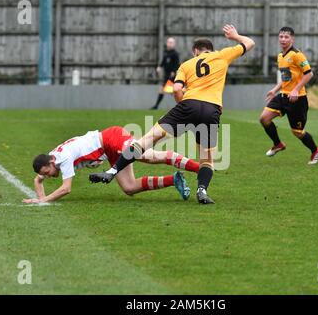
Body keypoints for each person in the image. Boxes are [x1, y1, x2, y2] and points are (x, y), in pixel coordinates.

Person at [89, 25, 255, 204]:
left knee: (147, 140)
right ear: (210, 50)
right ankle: (202, 191)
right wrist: (235, 36)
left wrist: (183, 106)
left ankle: (112, 172)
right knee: (207, 158)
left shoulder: (186, 64)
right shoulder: (222, 55)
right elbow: (250, 43)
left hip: (188, 105)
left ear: (195, 52)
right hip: (211, 110)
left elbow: (176, 88)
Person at [22, 126, 199, 204]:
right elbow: (38, 180)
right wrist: (40, 198)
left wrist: (44, 200)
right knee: (129, 188)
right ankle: (174, 180)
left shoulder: (63, 158)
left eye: (49, 171)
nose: (51, 175)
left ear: (51, 161)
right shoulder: (52, 159)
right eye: (47, 173)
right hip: (108, 151)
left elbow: (66, 189)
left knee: (150, 157)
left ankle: (200, 168)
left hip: (111, 138)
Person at [259, 26, 318, 165]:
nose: (283, 39)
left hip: (297, 99)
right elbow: (286, 78)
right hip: (283, 96)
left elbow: (309, 74)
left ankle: (315, 150)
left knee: (297, 132)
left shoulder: (297, 54)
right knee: (264, 118)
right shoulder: (280, 56)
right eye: (281, 36)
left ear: (292, 39)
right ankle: (278, 144)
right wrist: (275, 90)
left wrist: (296, 89)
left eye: (286, 37)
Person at [150, 37, 180, 110]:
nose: (169, 44)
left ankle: (156, 106)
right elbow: (163, 61)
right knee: (166, 90)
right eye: (168, 42)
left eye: (171, 42)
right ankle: (156, 106)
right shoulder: (166, 52)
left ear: (174, 44)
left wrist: (173, 71)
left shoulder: (175, 54)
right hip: (167, 75)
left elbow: (177, 64)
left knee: (172, 91)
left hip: (173, 76)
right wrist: (159, 67)